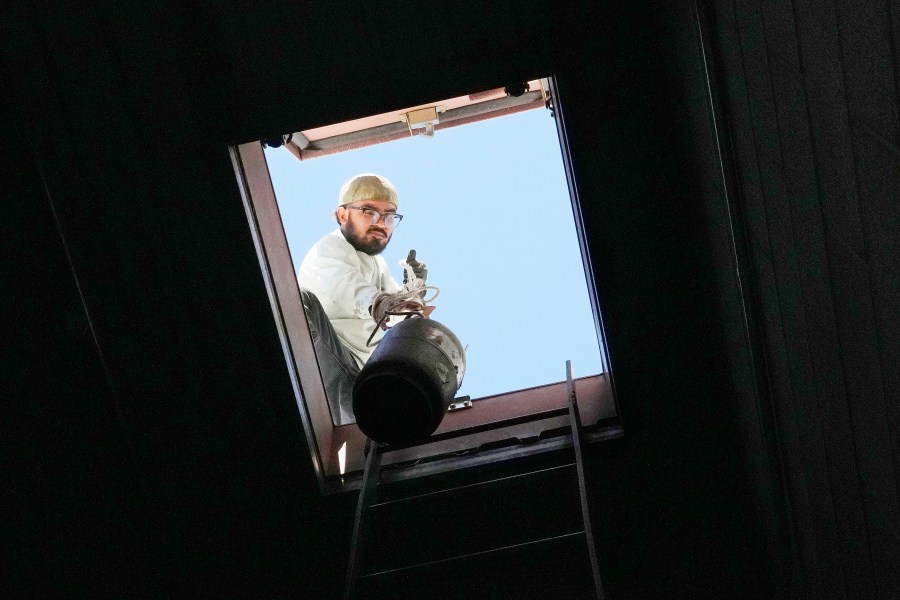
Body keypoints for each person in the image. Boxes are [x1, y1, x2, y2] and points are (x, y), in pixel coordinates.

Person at [298, 173, 427, 425]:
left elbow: (399, 319)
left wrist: (413, 290)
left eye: (389, 215)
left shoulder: (377, 265)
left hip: (371, 378)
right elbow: (348, 285)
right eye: (369, 211)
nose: (381, 222)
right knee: (301, 302)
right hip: (334, 368)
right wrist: (379, 303)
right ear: (343, 215)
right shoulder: (330, 249)